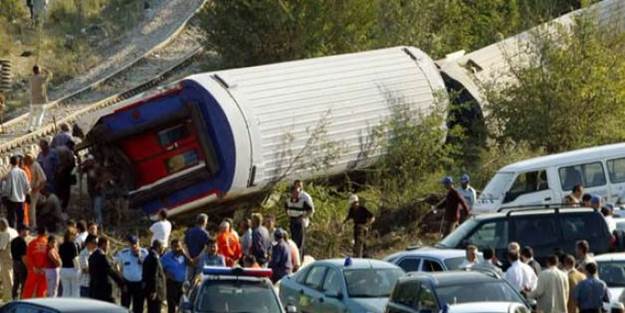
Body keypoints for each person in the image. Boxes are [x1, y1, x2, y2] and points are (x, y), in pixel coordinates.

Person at [115, 235, 148, 313]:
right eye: (132, 244)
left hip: (139, 284)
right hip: (127, 283)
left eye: (136, 244)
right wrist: (121, 278)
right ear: (129, 244)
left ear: (139, 243)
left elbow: (149, 268)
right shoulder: (123, 253)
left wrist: (141, 259)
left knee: (138, 307)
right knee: (124, 307)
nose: (134, 246)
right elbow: (116, 264)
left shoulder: (145, 253)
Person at [89, 237, 123, 303]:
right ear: (103, 244)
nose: (109, 247)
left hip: (94, 289)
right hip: (105, 291)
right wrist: (122, 284)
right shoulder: (103, 257)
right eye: (108, 245)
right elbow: (111, 272)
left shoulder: (91, 256)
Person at [284, 182, 315, 255]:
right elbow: (286, 208)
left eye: (298, 192)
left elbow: (310, 210)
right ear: (292, 193)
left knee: (300, 242)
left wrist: (304, 217)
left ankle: (300, 257)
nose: (297, 194)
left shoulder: (303, 200)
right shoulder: (288, 201)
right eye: (295, 192)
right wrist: (289, 215)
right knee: (293, 240)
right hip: (292, 220)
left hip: (299, 221)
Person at [161, 239, 190, 313]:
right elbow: (159, 268)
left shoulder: (183, 255)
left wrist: (184, 254)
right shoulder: (166, 257)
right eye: (175, 246)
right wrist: (166, 273)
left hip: (182, 284)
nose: (177, 248)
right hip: (171, 284)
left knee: (183, 306)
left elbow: (192, 264)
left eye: (179, 246)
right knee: (172, 306)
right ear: (171, 247)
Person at [3, 155, 31, 228]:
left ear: (11, 163)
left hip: (12, 200)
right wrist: (27, 194)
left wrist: (5, 196)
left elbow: (8, 187)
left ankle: (13, 232)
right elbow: (27, 186)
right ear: (18, 162)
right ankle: (20, 232)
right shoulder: (23, 172)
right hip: (21, 199)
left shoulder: (10, 173)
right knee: (20, 219)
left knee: (11, 218)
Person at [22, 225, 48, 299]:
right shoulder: (48, 243)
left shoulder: (32, 243)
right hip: (44, 271)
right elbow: (50, 257)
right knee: (42, 291)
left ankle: (24, 306)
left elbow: (28, 257)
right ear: (45, 233)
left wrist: (33, 267)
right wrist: (44, 268)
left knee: (28, 291)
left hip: (33, 271)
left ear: (38, 233)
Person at [23, 154, 46, 228]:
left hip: (34, 191)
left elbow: (43, 179)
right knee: (28, 208)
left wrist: (37, 189)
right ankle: (27, 224)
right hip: (28, 191)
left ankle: (33, 226)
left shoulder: (36, 166)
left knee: (32, 209)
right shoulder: (26, 165)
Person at [143, 239, 166, 313]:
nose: (163, 249)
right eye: (162, 247)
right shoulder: (154, 258)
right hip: (155, 292)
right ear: (158, 247)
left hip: (149, 290)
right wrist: (154, 291)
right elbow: (154, 276)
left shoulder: (148, 256)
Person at [28, 65, 52, 131]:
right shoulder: (42, 78)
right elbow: (50, 75)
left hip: (33, 100)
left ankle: (30, 127)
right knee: (40, 114)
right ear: (39, 70)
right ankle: (36, 127)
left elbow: (32, 74)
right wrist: (44, 69)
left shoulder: (31, 78)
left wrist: (37, 70)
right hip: (41, 100)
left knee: (32, 115)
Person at [0, 218, 18, 301]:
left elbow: (1, 248)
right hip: (14, 257)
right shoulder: (13, 231)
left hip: (6, 259)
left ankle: (9, 297)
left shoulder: (5, 233)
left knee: (7, 279)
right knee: (12, 277)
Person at [54, 142, 75, 213]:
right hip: (65, 175)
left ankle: (57, 206)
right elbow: (72, 164)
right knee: (66, 192)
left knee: (57, 190)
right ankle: (63, 207)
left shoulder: (56, 149)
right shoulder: (69, 152)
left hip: (56, 174)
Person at [59, 229, 80, 297]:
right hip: (73, 269)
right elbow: (75, 258)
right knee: (75, 292)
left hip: (64, 269)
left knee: (65, 291)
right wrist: (79, 269)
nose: (75, 236)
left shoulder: (61, 245)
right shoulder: (74, 245)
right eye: (74, 235)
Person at [11, 225, 28, 300]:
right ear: (21, 231)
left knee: (16, 283)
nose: (27, 232)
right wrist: (28, 266)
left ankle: (14, 298)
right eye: (26, 230)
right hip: (21, 264)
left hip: (14, 263)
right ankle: (22, 299)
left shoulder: (13, 240)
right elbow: (23, 257)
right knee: (24, 283)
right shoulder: (22, 242)